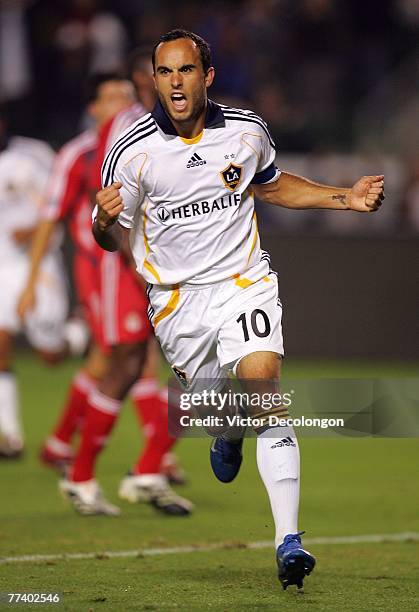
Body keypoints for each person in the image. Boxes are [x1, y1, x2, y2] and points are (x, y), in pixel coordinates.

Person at [93, 30, 385, 589]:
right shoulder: (131, 151)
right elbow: (111, 237)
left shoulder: (246, 132)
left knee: (265, 388)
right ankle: (225, 430)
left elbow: (272, 187)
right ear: (154, 80)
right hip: (178, 305)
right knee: (216, 414)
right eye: (164, 72)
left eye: (185, 70)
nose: (174, 82)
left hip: (243, 282)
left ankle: (288, 542)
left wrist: (342, 198)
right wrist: (102, 220)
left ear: (207, 76)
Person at [18, 74, 191, 516]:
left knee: (156, 364)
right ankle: (112, 470)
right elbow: (60, 215)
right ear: (93, 107)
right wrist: (33, 280)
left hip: (169, 264)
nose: (122, 104)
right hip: (112, 267)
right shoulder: (84, 152)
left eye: (128, 96)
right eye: (111, 97)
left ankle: (117, 462)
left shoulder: (173, 138)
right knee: (128, 360)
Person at [0, 108, 69, 458]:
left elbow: (59, 203)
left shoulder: (34, 154)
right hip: (2, 265)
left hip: (37, 262)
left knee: (50, 355)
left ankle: (77, 336)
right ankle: (11, 436)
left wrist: (34, 229)